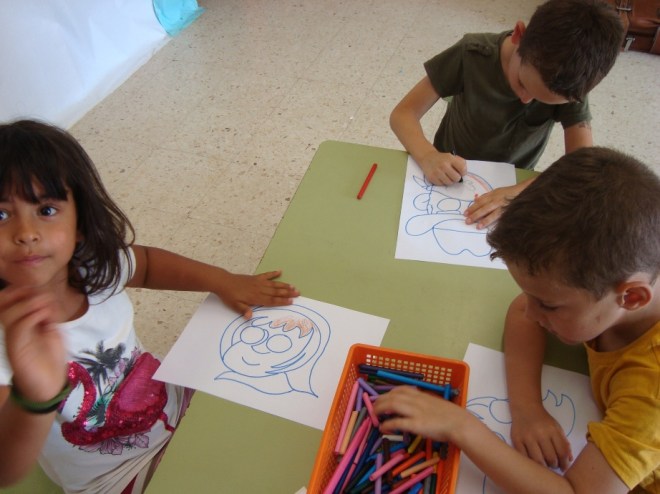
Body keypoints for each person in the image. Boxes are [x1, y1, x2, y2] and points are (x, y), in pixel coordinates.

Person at [0, 120, 300, 493]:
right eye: (1, 214)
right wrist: (34, 398)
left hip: (173, 402)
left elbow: (147, 265)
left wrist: (222, 280)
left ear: (79, 221)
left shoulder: (94, 267)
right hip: (118, 475)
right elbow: (5, 468)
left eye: (46, 210)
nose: (26, 233)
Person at [374, 147, 660, 493]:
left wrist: (462, 427)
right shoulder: (615, 283)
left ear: (632, 297)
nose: (530, 311)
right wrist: (527, 410)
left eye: (548, 305)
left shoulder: (651, 391)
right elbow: (521, 313)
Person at [390, 0, 624, 229]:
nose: (525, 100)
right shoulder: (471, 54)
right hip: (447, 169)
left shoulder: (570, 84)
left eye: (540, 99)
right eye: (522, 83)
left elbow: (580, 165)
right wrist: (428, 155)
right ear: (519, 35)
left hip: (517, 181)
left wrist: (518, 193)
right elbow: (403, 114)